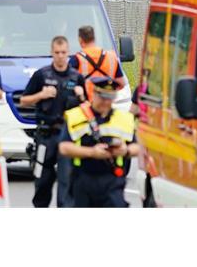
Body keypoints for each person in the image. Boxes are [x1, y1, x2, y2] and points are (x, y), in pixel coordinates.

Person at [20, 35, 86, 208]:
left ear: (68, 53)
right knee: (42, 180)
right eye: (57, 52)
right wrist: (41, 95)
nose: (60, 56)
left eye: (63, 52)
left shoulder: (76, 77)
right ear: (52, 53)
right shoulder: (42, 75)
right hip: (46, 135)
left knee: (67, 180)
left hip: (68, 136)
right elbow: (24, 100)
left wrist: (81, 95)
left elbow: (87, 107)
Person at [59, 76, 139, 208]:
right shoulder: (76, 116)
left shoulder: (123, 119)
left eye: (110, 98)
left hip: (113, 180)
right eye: (102, 97)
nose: (106, 102)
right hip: (83, 179)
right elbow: (64, 147)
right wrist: (92, 152)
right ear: (94, 94)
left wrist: (126, 150)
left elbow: (137, 148)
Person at [72, 25, 126, 100]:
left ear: (80, 40)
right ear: (94, 39)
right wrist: (109, 92)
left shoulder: (77, 59)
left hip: (86, 104)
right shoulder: (111, 56)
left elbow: (69, 83)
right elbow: (122, 83)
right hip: (107, 103)